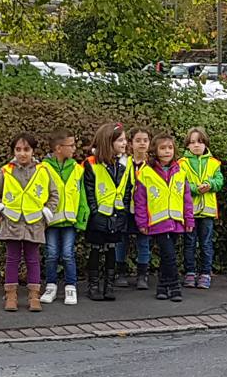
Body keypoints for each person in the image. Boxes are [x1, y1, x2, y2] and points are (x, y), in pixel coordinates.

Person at [0, 133, 59, 313]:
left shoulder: (44, 171)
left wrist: (46, 213)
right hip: (12, 222)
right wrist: (0, 210)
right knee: (12, 259)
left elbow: (54, 195)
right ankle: (11, 296)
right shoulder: (6, 170)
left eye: (26, 149)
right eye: (18, 150)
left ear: (33, 151)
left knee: (33, 259)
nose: (22, 153)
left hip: (34, 223)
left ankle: (34, 296)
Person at [135, 133, 195, 301]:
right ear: (155, 150)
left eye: (170, 148)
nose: (167, 151)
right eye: (163, 148)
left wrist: (189, 219)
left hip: (176, 222)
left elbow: (186, 198)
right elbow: (140, 200)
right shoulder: (146, 173)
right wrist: (142, 222)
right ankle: (175, 286)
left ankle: (162, 286)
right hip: (158, 221)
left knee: (166, 255)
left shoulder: (180, 171)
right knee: (169, 255)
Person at [83, 123, 131, 301]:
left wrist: (124, 210)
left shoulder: (126, 163)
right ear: (108, 141)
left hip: (117, 215)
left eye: (125, 139)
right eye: (120, 140)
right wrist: (95, 213)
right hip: (98, 217)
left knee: (111, 249)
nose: (124, 143)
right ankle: (93, 286)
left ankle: (109, 286)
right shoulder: (92, 164)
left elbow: (127, 189)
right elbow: (89, 192)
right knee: (95, 250)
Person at [40, 129, 86, 306]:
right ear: (59, 148)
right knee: (51, 254)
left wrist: (82, 217)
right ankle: (51, 286)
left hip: (70, 221)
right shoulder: (43, 168)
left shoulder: (77, 168)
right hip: (50, 221)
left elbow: (81, 195)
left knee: (68, 254)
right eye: (71, 145)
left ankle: (71, 287)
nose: (74, 148)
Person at [179, 128, 222, 289]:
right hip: (189, 211)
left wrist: (210, 185)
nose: (196, 145)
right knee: (189, 243)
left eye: (200, 141)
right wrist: (196, 189)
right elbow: (179, 183)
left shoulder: (214, 162)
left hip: (207, 211)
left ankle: (205, 273)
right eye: (192, 142)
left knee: (206, 243)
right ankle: (190, 272)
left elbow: (220, 181)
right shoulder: (182, 163)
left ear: (205, 144)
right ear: (187, 145)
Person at [116, 128, 153, 289]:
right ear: (131, 144)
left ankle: (142, 275)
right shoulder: (124, 162)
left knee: (143, 243)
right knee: (121, 241)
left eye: (145, 140)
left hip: (144, 211)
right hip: (124, 209)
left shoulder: (152, 165)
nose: (142, 143)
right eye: (138, 140)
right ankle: (120, 273)